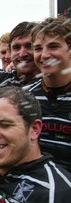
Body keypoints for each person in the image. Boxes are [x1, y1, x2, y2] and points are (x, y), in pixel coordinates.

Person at [28, 15, 71, 169]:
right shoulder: (24, 97)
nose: (44, 55)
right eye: (38, 48)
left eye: (53, 46)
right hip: (33, 186)